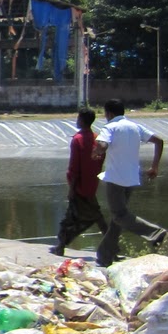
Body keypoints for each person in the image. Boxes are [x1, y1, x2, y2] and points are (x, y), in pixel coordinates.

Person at [92, 99, 168, 267]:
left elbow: (103, 143)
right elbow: (159, 141)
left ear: (109, 114)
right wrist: (154, 167)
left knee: (120, 215)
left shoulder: (109, 127)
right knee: (118, 218)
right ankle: (105, 255)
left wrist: (98, 149)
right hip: (131, 179)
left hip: (115, 178)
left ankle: (157, 234)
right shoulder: (135, 127)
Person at [52, 107, 109, 256]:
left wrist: (71, 188)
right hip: (92, 184)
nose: (77, 120)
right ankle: (112, 246)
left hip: (79, 186)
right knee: (96, 216)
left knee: (70, 218)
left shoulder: (78, 139)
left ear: (82, 120)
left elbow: (75, 166)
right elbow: (99, 161)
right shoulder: (98, 139)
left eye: (78, 118)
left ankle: (60, 246)